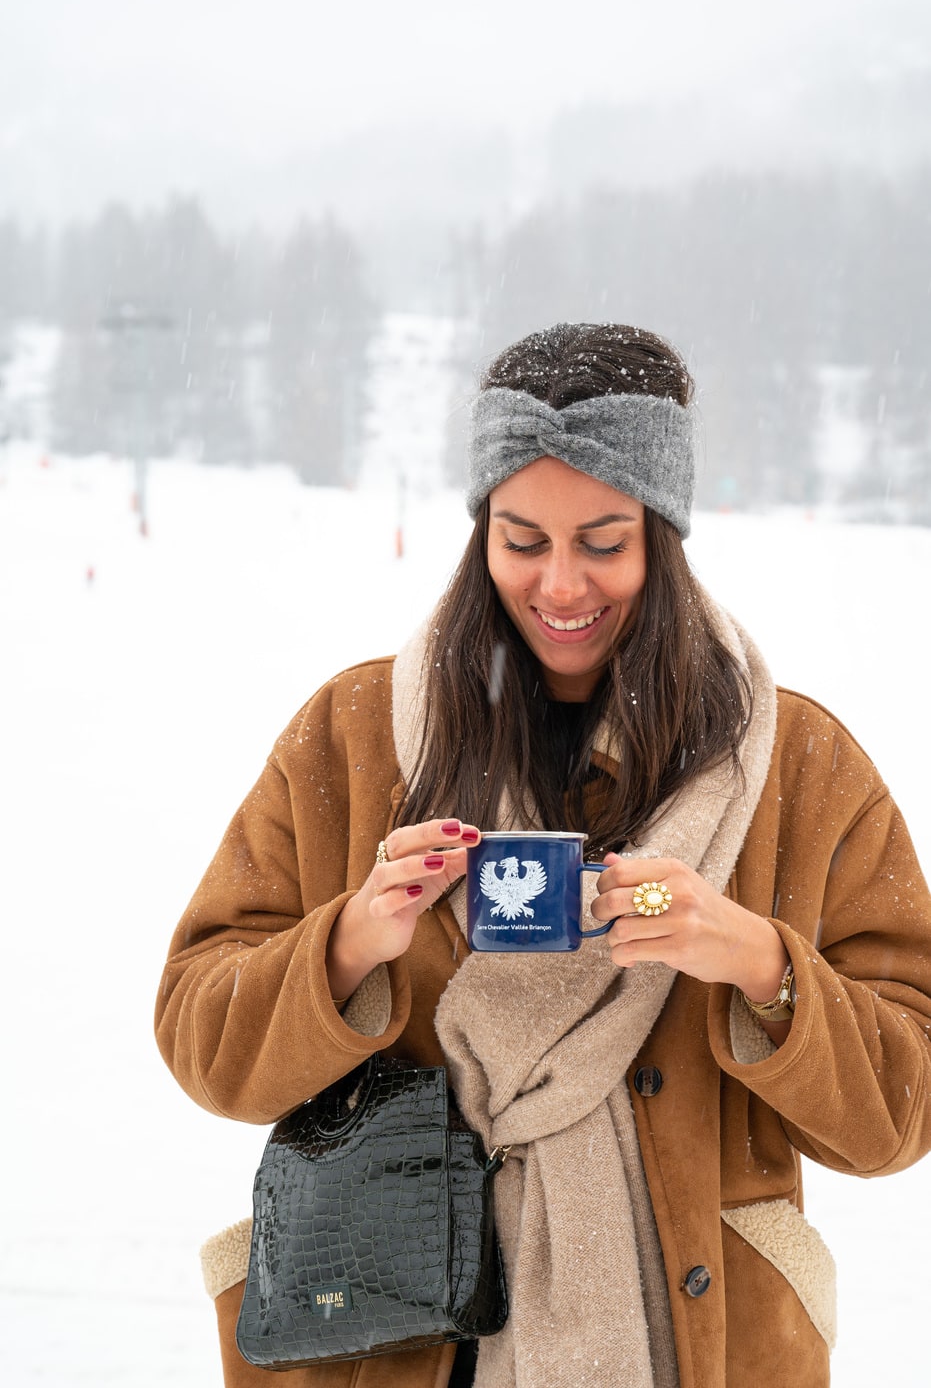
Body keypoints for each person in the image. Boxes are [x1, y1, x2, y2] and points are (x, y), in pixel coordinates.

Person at [156, 322, 931, 1388]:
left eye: (602, 540)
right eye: (522, 538)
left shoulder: (796, 767)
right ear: (481, 532)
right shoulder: (349, 736)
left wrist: (763, 964)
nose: (561, 584)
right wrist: (346, 943)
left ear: (663, 533)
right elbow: (201, 1037)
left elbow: (906, 1106)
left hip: (692, 1344)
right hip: (395, 1336)